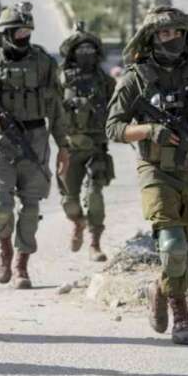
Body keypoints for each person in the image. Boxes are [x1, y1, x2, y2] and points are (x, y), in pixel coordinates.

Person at [106, 6, 188, 346]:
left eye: (177, 33)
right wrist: (149, 131)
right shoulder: (136, 77)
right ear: (152, 38)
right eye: (164, 33)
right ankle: (181, 314)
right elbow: (113, 128)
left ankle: (159, 289)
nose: (171, 38)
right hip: (156, 170)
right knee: (173, 246)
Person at [0, 2, 70, 288]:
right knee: (0, 205)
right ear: (6, 33)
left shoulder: (44, 62)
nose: (24, 37)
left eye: (27, 31)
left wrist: (63, 147)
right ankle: (4, 250)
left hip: (36, 140)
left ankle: (22, 264)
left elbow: (57, 108)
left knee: (30, 209)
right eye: (18, 32)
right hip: (3, 143)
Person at [57, 24, 117, 261]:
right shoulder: (61, 81)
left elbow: (118, 109)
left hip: (96, 147)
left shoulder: (105, 82)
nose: (86, 54)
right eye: (81, 50)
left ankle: (95, 243)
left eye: (90, 50)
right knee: (69, 202)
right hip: (70, 149)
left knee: (95, 196)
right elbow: (50, 110)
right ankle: (77, 223)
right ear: (72, 54)